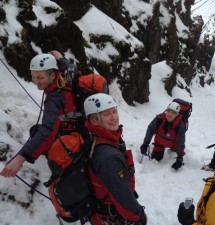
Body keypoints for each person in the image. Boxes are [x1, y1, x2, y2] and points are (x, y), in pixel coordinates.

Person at [0, 51, 77, 178]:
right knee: (36, 130)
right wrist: (60, 58)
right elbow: (72, 68)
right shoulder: (65, 78)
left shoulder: (53, 99)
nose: (36, 81)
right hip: (78, 126)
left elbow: (48, 130)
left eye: (40, 77)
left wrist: (20, 159)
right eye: (33, 77)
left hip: (70, 137)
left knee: (37, 131)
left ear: (52, 75)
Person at [83, 93, 147, 225]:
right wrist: (138, 215)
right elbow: (121, 195)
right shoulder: (108, 157)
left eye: (114, 111)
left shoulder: (97, 135)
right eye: (106, 114)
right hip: (110, 215)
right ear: (94, 121)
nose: (114, 117)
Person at [140, 102, 186, 171]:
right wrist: (145, 144)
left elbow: (180, 142)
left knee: (174, 155)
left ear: (176, 114)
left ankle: (173, 152)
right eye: (168, 111)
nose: (169, 114)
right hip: (159, 143)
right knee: (156, 159)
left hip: (173, 144)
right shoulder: (159, 118)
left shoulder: (180, 126)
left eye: (173, 112)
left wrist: (180, 158)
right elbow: (150, 129)